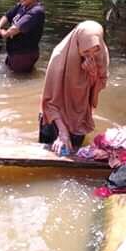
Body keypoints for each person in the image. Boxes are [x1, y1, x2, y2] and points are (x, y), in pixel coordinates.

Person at [40, 20, 109, 155]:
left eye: (94, 49)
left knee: (73, 154)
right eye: (85, 51)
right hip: (54, 117)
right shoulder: (59, 57)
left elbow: (95, 91)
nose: (90, 55)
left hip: (80, 115)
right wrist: (62, 132)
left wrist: (93, 73)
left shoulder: (101, 54)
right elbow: (49, 101)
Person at [0, 0, 45, 73]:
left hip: (24, 54)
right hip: (15, 53)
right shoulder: (22, 6)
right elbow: (7, 16)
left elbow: (15, 29)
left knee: (19, 80)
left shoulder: (36, 11)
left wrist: (3, 33)